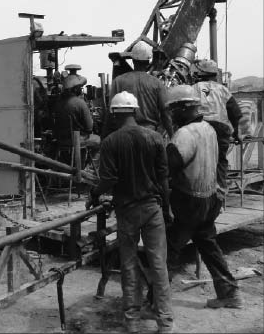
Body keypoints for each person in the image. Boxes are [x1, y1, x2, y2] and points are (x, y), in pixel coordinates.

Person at [86, 91, 173, 333]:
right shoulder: (155, 138)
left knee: (129, 263)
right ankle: (165, 321)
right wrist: (167, 208)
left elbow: (108, 180)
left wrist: (94, 193)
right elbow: (163, 178)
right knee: (159, 264)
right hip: (153, 208)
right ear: (135, 111)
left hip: (127, 210)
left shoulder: (111, 142)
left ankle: (132, 319)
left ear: (114, 114)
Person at [165, 84, 243, 309]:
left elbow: (170, 166)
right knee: (207, 244)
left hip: (189, 202)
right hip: (210, 198)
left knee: (169, 249)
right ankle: (229, 293)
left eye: (173, 109)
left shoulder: (185, 134)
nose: (171, 114)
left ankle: (155, 303)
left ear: (183, 108)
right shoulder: (208, 129)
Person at [102, 41, 173, 139]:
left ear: (133, 60)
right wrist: (172, 136)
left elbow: (110, 113)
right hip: (149, 135)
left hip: (124, 136)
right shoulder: (157, 83)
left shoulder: (118, 81)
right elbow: (166, 114)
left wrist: (104, 138)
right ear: (148, 61)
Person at [193, 59, 243, 196]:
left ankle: (200, 193)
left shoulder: (195, 88)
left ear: (200, 73)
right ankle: (220, 194)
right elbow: (235, 113)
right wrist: (237, 133)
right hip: (221, 129)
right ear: (215, 75)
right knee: (220, 160)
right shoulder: (223, 89)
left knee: (199, 161)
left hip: (200, 128)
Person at [53, 66, 100, 158]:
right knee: (98, 140)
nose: (80, 89)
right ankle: (87, 164)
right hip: (76, 140)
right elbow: (89, 128)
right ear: (74, 89)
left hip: (61, 140)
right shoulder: (80, 103)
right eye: (79, 87)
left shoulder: (57, 103)